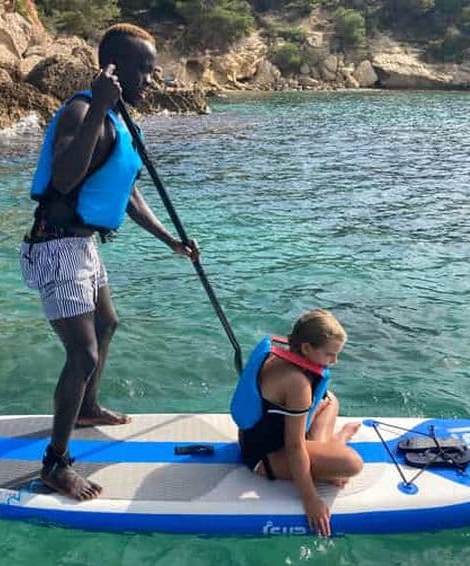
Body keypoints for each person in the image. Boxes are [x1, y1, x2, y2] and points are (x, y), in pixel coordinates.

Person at [20, 24, 197, 501]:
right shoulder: (84, 109)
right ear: (114, 69)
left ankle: (86, 406)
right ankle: (55, 464)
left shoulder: (117, 120)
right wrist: (99, 103)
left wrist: (171, 240)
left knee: (108, 324)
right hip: (56, 246)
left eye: (152, 70)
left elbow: (126, 190)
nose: (149, 80)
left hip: (83, 246)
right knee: (83, 353)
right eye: (142, 69)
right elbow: (62, 176)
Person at [230, 309, 363, 536]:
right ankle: (336, 446)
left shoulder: (276, 354)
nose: (335, 361)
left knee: (330, 400)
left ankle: (329, 449)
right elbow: (294, 446)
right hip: (266, 456)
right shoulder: (297, 383)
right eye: (330, 354)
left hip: (252, 434)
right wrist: (310, 499)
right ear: (307, 348)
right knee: (352, 465)